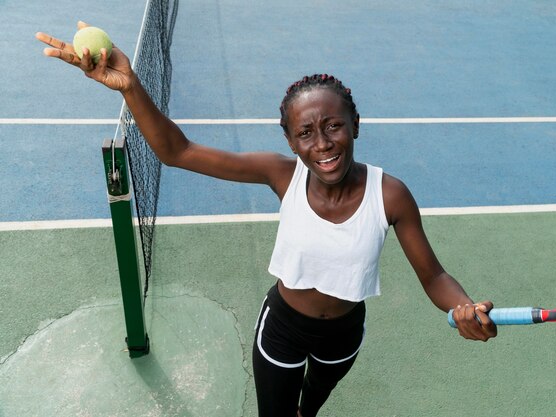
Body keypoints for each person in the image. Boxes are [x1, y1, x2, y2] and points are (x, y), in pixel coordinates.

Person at [37, 22, 497, 417]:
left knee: (311, 403)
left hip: (343, 333)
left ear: (355, 124)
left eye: (333, 126)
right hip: (283, 327)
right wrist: (131, 85)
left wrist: (464, 307)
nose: (323, 143)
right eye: (306, 133)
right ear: (292, 142)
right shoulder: (281, 175)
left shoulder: (390, 194)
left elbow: (434, 275)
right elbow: (177, 152)